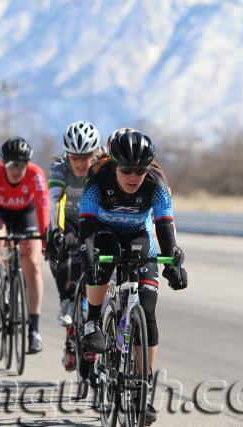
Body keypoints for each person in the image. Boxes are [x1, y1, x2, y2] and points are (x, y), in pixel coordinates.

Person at [78, 130, 188, 425]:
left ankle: (143, 389)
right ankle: (93, 319)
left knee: (148, 311)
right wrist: (86, 250)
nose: (133, 176)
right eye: (126, 169)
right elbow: (86, 224)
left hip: (140, 236)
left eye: (139, 170)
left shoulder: (156, 184)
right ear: (115, 165)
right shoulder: (98, 181)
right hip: (104, 232)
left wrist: (173, 262)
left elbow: (165, 227)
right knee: (107, 252)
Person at [0, 137, 50, 354]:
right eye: (11, 164)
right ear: (3, 163)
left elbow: (43, 210)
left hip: (25, 214)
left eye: (21, 164)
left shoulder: (36, 174)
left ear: (28, 164)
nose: (16, 170)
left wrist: (45, 239)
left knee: (33, 263)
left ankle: (34, 330)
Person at [46, 121, 103, 371]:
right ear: (67, 154)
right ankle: (65, 300)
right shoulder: (59, 167)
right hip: (68, 221)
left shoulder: (103, 166)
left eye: (87, 156)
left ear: (96, 152)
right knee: (57, 245)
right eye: (75, 157)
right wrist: (56, 230)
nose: (81, 163)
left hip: (97, 222)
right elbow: (55, 203)